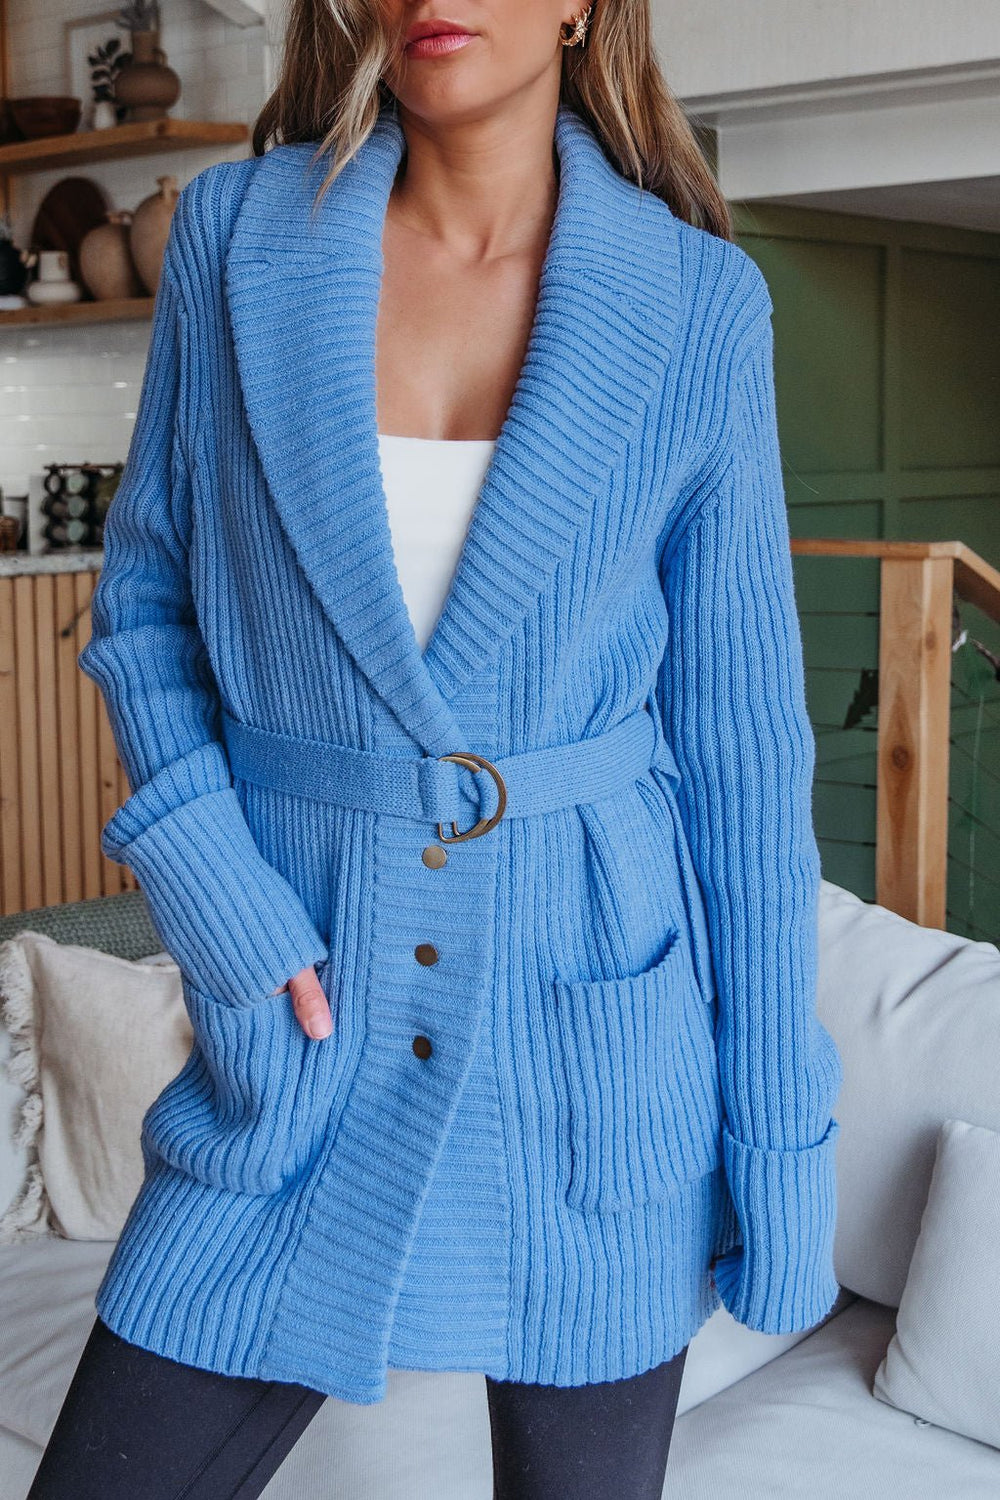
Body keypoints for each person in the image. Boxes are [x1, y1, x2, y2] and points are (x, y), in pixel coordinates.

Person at [27, 1, 844, 1496]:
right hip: (307, 1025)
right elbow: (146, 614)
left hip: (592, 1046)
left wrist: (782, 1150)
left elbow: (743, 766)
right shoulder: (231, 241)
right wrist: (224, 902)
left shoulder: (697, 308)